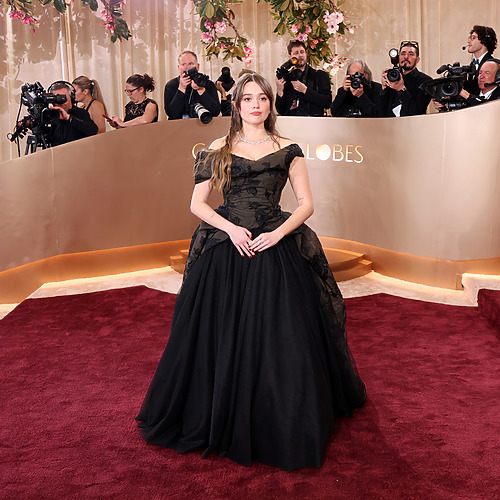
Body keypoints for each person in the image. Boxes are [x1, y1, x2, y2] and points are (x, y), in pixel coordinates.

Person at [136, 73, 366, 471]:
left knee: (282, 334)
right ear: (236, 105)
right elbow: (197, 204)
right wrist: (230, 228)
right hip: (227, 245)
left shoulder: (288, 149)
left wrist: (277, 234)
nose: (255, 105)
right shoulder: (217, 147)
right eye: (247, 99)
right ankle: (218, 408)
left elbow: (306, 204)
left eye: (262, 98)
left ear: (270, 104)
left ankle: (279, 415)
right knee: (217, 332)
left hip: (275, 243)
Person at [275, 40, 332, 116]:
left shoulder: (319, 75)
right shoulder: (287, 78)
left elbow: (327, 102)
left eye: (302, 52)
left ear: (306, 54)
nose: (300, 55)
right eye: (296, 53)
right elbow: (281, 111)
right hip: (291, 121)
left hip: (313, 121)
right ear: (290, 57)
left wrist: (305, 90)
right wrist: (280, 91)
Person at [379, 41, 432, 117]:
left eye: (411, 54)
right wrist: (383, 89)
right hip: (390, 124)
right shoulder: (392, 78)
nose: (406, 57)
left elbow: (418, 111)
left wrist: (401, 89)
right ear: (398, 57)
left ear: (417, 60)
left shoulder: (425, 81)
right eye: (403, 54)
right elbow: (380, 111)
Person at [164, 50, 221, 120]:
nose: (187, 68)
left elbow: (215, 112)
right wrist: (181, 89)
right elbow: (172, 114)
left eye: (190, 64)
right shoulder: (171, 85)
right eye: (183, 64)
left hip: (203, 125)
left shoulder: (208, 84)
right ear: (179, 67)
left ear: (197, 66)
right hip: (178, 125)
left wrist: (201, 90)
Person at [46, 81, 98, 146]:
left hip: (77, 151)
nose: (60, 102)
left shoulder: (80, 113)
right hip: (59, 152)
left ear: (71, 98)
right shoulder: (52, 116)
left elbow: (93, 130)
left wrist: (69, 118)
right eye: (56, 99)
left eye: (63, 98)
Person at [464, 25, 497, 95]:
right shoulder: (473, 64)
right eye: (470, 38)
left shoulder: (492, 65)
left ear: (484, 41)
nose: (468, 41)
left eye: (473, 38)